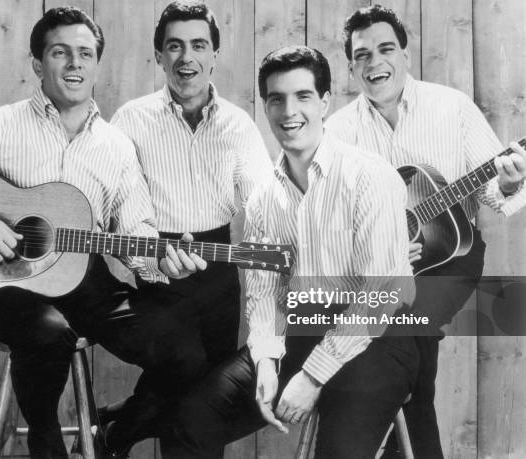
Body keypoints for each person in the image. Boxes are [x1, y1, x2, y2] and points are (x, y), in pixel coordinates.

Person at [0, 7, 202, 459]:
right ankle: (45, 441)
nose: (74, 64)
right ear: (37, 63)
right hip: (12, 286)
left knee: (184, 348)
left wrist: (161, 260)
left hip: (88, 286)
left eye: (85, 54)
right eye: (60, 52)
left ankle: (115, 432)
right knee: (49, 334)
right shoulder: (0, 126)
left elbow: (135, 230)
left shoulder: (116, 147)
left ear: (96, 64)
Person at [157, 45, 419, 459]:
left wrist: (312, 376)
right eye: (276, 98)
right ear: (265, 106)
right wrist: (265, 361)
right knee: (192, 416)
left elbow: (381, 295)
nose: (288, 110)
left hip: (378, 338)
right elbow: (265, 294)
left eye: (302, 96)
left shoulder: (373, 179)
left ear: (325, 102)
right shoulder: (262, 200)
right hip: (299, 333)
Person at [324, 5, 526, 457]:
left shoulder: (451, 108)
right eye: (362, 55)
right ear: (351, 66)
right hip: (376, 272)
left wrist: (510, 180)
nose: (375, 62)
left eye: (386, 49)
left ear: (406, 54)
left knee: (397, 332)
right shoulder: (337, 133)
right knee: (410, 365)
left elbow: (496, 192)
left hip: (452, 260)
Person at [104, 1, 273, 455]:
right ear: (158, 55)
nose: (186, 58)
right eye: (174, 46)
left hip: (220, 272)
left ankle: (118, 428)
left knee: (205, 407)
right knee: (187, 365)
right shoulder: (131, 120)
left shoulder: (238, 125)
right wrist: (154, 259)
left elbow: (262, 204)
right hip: (158, 263)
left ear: (215, 54)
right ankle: (120, 430)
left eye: (198, 45)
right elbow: (120, 213)